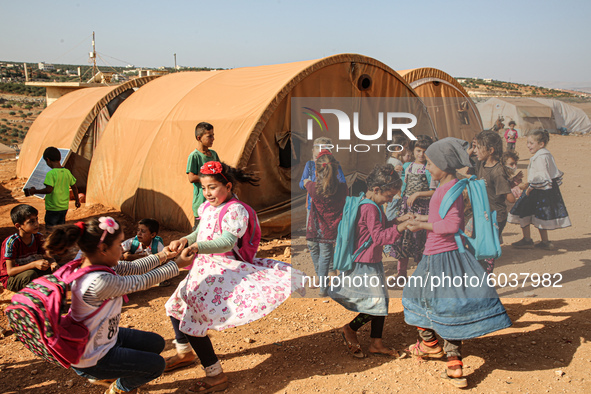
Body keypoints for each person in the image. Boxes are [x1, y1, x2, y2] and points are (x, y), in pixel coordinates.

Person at [164, 161, 306, 393]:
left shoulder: (235, 210)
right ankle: (184, 352)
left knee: (193, 321)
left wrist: (198, 246)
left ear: (228, 186)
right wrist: (185, 240)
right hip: (202, 268)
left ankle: (215, 375)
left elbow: (227, 241)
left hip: (220, 270)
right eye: (203, 188)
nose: (207, 193)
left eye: (212, 187)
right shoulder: (208, 208)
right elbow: (200, 232)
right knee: (174, 306)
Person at [403, 137, 512, 388]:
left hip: (438, 256)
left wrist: (420, 224)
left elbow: (451, 225)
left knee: (413, 298)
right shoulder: (447, 187)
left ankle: (430, 344)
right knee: (450, 307)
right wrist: (419, 217)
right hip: (448, 255)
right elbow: (440, 217)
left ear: (444, 164)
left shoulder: (448, 189)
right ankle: (453, 365)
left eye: (431, 163)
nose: (427, 167)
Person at [44, 217, 187, 394]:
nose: (122, 249)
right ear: (103, 249)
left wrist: (164, 255)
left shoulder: (91, 264)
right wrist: (177, 264)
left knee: (155, 343)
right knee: (156, 365)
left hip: (103, 337)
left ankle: (114, 372)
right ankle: (118, 388)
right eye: (119, 244)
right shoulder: (98, 281)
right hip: (92, 356)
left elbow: (133, 267)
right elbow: (141, 281)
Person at [329, 164, 410, 359]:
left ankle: (376, 343)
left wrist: (398, 221)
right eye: (389, 196)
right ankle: (349, 329)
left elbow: (379, 228)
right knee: (378, 303)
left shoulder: (370, 204)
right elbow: (380, 237)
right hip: (364, 263)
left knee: (381, 302)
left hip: (370, 260)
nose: (390, 200)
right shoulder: (370, 209)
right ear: (376, 190)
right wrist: (402, 227)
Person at [509, 130, 571, 250]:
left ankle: (527, 239)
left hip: (537, 189)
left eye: (531, 143)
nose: (528, 145)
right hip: (545, 189)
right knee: (540, 214)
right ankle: (544, 241)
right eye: (528, 142)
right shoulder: (546, 154)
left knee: (524, 210)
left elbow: (541, 176)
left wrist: (530, 187)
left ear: (541, 144)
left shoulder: (540, 157)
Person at [388, 135, 436, 279]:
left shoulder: (430, 168)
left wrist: (418, 194)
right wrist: (395, 173)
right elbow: (401, 182)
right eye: (418, 150)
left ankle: (420, 274)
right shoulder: (407, 166)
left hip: (423, 209)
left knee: (420, 240)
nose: (421, 154)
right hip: (406, 208)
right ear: (413, 150)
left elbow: (434, 191)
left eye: (424, 151)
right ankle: (401, 273)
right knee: (403, 239)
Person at [304, 150, 347, 296]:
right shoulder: (342, 188)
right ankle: (323, 288)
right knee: (326, 255)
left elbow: (305, 182)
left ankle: (322, 284)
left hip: (315, 227)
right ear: (335, 171)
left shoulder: (313, 187)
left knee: (316, 253)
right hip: (332, 228)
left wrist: (310, 179)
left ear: (316, 172)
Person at [471, 131, 516, 271]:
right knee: (477, 247)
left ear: (490, 150)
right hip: (483, 215)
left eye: (478, 147)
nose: (475, 151)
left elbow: (510, 198)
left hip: (495, 216)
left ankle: (485, 283)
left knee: (487, 252)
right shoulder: (481, 164)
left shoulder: (497, 172)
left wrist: (514, 188)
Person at [1, 204, 54, 292]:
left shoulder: (38, 237)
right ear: (18, 226)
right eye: (31, 222)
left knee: (54, 268)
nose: (36, 224)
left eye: (36, 219)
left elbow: (47, 256)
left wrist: (53, 263)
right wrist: (33, 264)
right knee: (30, 274)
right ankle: (31, 297)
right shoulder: (12, 242)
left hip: (31, 270)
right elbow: (10, 271)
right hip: (12, 278)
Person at [25, 147, 80, 230]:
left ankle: (52, 241)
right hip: (64, 207)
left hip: (53, 208)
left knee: (51, 229)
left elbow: (48, 190)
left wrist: (34, 191)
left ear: (48, 160)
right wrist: (77, 200)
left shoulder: (51, 174)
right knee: (61, 228)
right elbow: (74, 187)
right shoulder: (67, 172)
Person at [299, 137, 346, 226]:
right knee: (313, 229)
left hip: (330, 205)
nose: (318, 160)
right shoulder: (309, 165)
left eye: (322, 157)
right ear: (312, 151)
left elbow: (342, 182)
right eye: (316, 157)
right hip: (312, 206)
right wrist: (308, 184)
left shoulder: (334, 165)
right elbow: (301, 183)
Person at [187, 122, 220, 231]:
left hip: (214, 199)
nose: (213, 138)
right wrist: (208, 175)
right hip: (201, 200)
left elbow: (220, 170)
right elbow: (191, 178)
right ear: (199, 138)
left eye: (213, 135)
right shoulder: (194, 156)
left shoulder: (213, 154)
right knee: (199, 231)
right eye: (209, 136)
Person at [121, 218, 170, 287]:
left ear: (152, 235)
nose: (139, 233)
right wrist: (125, 257)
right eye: (138, 230)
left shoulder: (157, 245)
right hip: (133, 270)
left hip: (150, 270)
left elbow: (166, 259)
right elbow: (116, 251)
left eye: (143, 231)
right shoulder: (133, 243)